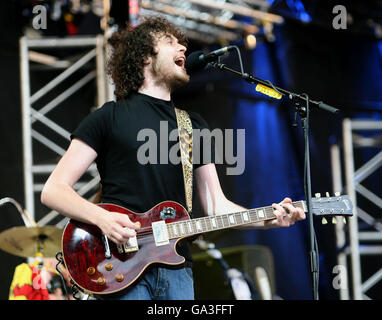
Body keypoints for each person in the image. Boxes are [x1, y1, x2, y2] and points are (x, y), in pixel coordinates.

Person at [41, 15, 305, 300]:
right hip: (120, 269)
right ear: (144, 57)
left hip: (177, 270)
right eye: (170, 42)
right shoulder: (109, 117)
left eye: (182, 43)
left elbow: (217, 207)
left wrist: (269, 219)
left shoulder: (193, 125)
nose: (182, 49)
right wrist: (103, 219)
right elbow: (54, 190)